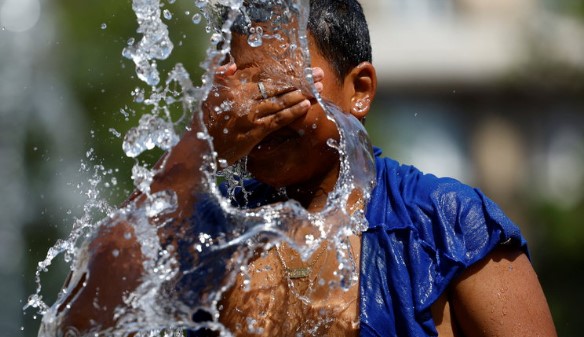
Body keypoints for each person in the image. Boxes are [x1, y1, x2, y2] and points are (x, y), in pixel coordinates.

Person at [43, 1, 558, 336]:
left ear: (358, 91)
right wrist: (190, 157)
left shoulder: (444, 226)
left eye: (280, 92)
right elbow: (78, 322)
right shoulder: (206, 230)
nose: (257, 117)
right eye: (238, 96)